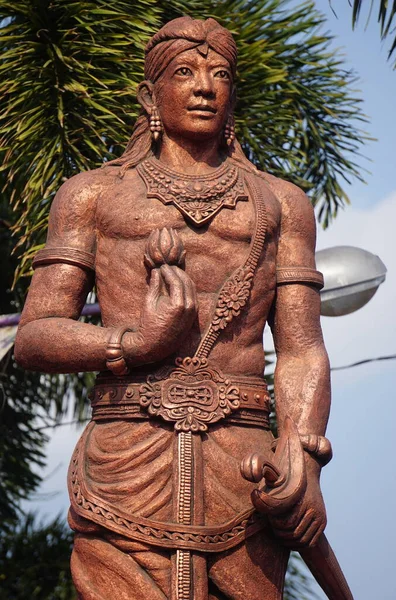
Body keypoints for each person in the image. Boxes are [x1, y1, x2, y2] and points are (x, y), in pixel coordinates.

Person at [15, 16, 331, 600]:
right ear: (149, 94)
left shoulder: (284, 205)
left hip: (246, 467)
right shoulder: (92, 195)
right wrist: (133, 344)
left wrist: (303, 452)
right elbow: (35, 337)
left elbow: (302, 347)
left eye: (220, 74)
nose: (205, 86)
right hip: (125, 458)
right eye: (184, 72)